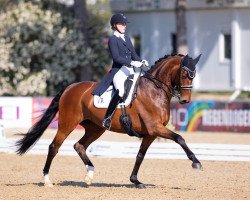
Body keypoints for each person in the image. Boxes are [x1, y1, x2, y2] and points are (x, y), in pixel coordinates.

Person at [92, 13, 149, 130]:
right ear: (114, 25)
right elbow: (116, 58)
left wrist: (141, 61)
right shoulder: (112, 40)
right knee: (121, 91)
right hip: (119, 70)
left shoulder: (127, 39)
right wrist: (133, 63)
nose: (124, 26)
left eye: (125, 24)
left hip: (130, 69)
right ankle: (107, 118)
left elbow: (134, 55)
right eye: (122, 24)